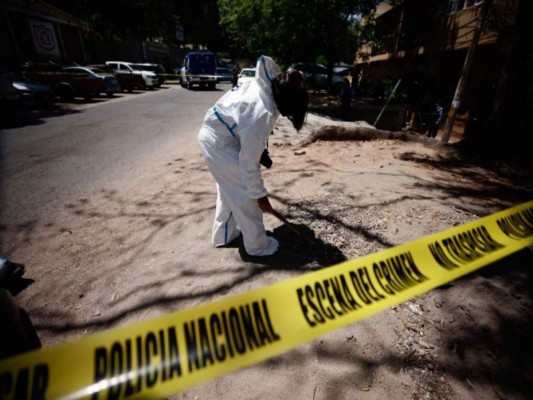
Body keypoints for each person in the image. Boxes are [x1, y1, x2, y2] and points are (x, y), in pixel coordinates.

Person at [198, 56, 308, 256]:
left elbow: (248, 138)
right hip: (220, 144)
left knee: (229, 190)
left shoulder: (266, 87)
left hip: (220, 136)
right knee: (246, 198)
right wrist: (259, 195)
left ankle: (223, 235)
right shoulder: (261, 113)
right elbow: (249, 164)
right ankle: (258, 246)